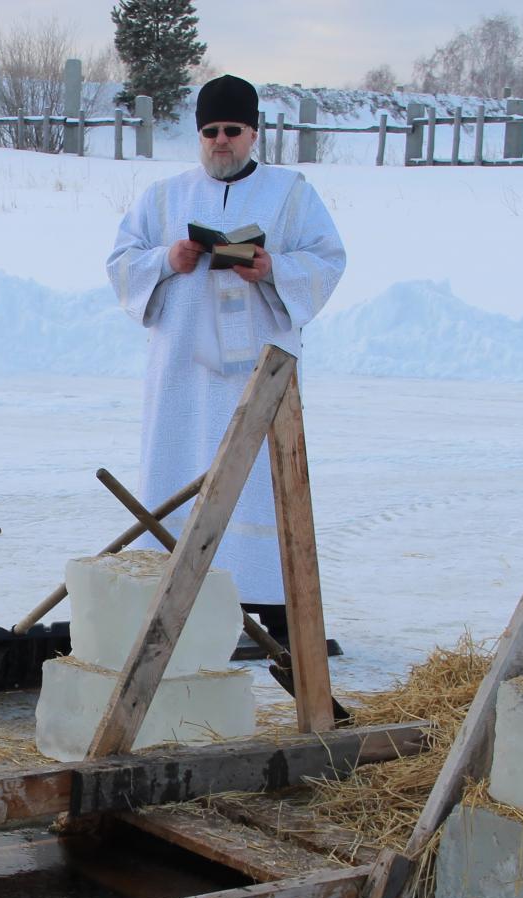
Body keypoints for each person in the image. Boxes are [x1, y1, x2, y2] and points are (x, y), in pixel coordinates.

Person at [106, 74, 347, 641]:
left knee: (264, 482)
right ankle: (184, 611)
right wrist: (168, 258)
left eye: (232, 130)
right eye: (211, 131)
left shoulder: (290, 193)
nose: (221, 141)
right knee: (180, 475)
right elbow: (122, 261)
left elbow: (328, 259)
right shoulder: (165, 196)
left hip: (259, 374)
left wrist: (272, 269)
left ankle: (282, 617)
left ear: (253, 133)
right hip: (183, 378)